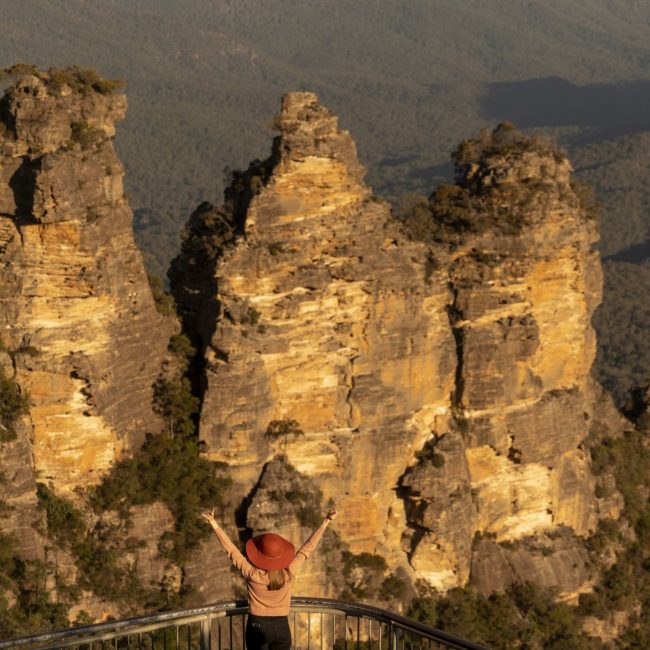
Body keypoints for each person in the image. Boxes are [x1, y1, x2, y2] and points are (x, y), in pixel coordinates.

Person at [201, 506, 338, 650]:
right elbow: (307, 549)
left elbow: (232, 551)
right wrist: (326, 521)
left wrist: (213, 523)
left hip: (256, 625)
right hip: (281, 627)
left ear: (259, 555)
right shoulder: (288, 572)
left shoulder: (252, 573)